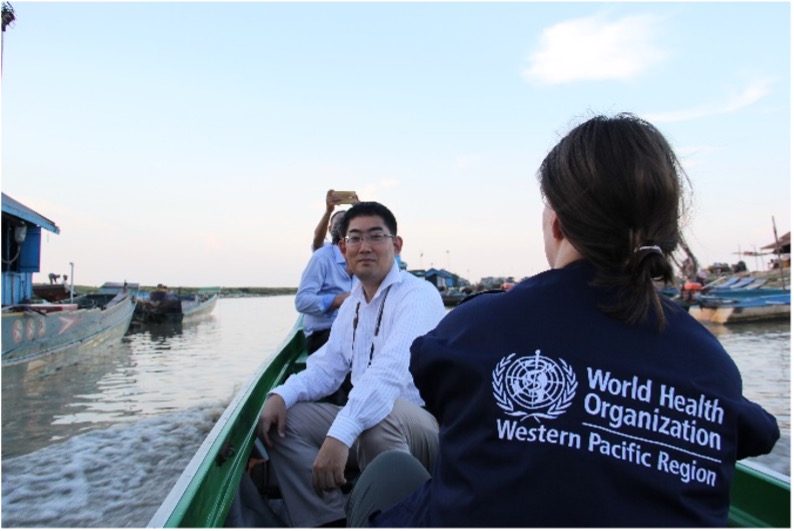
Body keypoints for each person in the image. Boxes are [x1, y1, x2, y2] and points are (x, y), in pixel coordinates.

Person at [347, 113, 780, 527]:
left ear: (557, 224)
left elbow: (435, 381)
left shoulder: (477, 327)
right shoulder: (714, 365)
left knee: (392, 473)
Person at [259, 201, 446, 528]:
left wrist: (341, 434)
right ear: (343, 248)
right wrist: (281, 395)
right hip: (371, 422)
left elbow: (390, 374)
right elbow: (326, 369)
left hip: (421, 426)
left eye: (376, 236)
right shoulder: (353, 305)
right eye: (355, 239)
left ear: (396, 244)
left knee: (379, 418)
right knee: (288, 420)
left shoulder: (419, 295)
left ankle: (397, 519)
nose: (365, 247)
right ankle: (329, 518)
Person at [296, 205, 354, 355]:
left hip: (352, 330)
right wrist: (340, 300)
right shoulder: (322, 256)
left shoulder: (362, 257)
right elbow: (302, 302)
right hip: (323, 334)